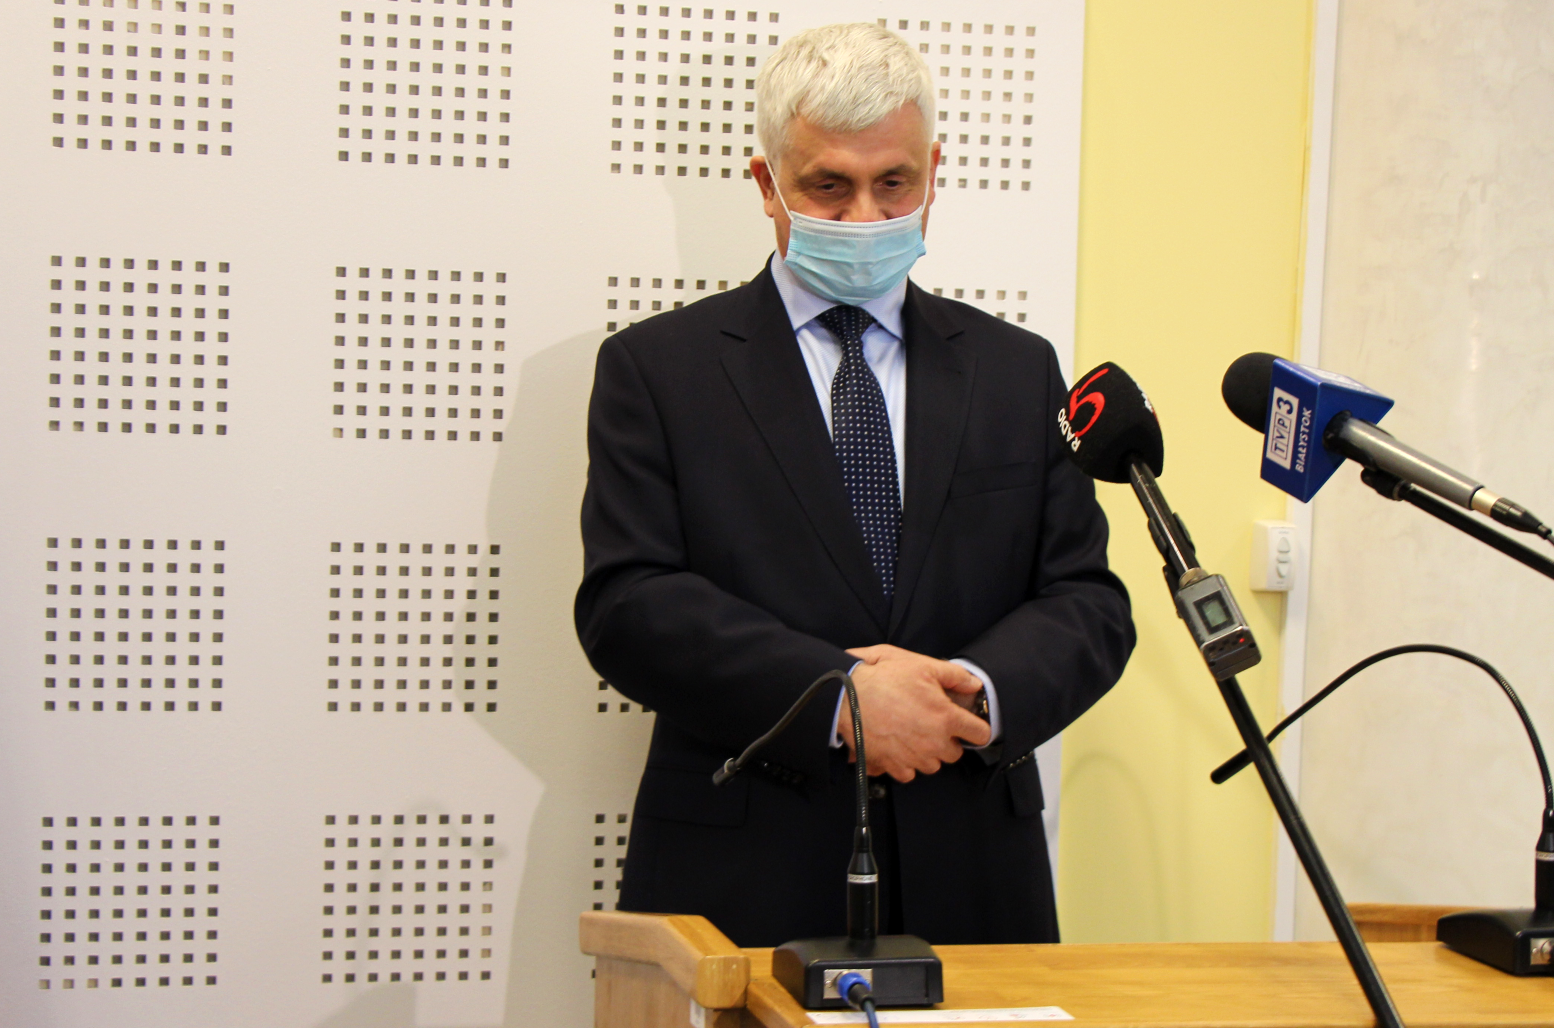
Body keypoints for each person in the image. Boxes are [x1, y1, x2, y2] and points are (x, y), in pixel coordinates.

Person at [575, 23, 1134, 947]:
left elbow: (1087, 602)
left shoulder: (1017, 369)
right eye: (828, 186)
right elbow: (628, 605)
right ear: (767, 185)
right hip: (742, 876)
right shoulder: (657, 370)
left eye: (894, 183)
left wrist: (966, 697)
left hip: (975, 872)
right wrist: (839, 696)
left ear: (934, 173)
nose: (866, 217)